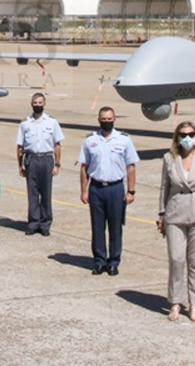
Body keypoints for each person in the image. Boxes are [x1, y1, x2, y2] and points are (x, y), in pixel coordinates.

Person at [156, 121, 195, 323]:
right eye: (183, 134)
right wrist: (161, 214)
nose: (187, 137)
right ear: (177, 137)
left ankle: (194, 304)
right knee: (176, 259)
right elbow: (164, 187)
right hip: (175, 213)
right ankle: (175, 302)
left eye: (191, 134)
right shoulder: (169, 159)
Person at [78, 107, 139, 276]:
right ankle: (99, 261)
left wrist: (131, 191)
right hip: (96, 188)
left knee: (115, 227)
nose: (106, 122)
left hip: (116, 188)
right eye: (103, 119)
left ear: (115, 119)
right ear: (98, 120)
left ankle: (113, 261)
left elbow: (131, 166)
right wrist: (84, 191)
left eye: (109, 119)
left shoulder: (124, 140)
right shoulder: (90, 140)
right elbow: (84, 167)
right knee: (97, 227)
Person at [16, 93, 64, 236]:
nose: (37, 105)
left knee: (46, 192)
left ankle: (45, 224)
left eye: (40, 102)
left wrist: (57, 164)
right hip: (31, 159)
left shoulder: (51, 122)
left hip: (46, 159)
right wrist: (20, 165)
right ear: (31, 104)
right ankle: (33, 222)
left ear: (44, 103)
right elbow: (19, 147)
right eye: (35, 103)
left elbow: (57, 145)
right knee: (32, 193)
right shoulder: (25, 123)